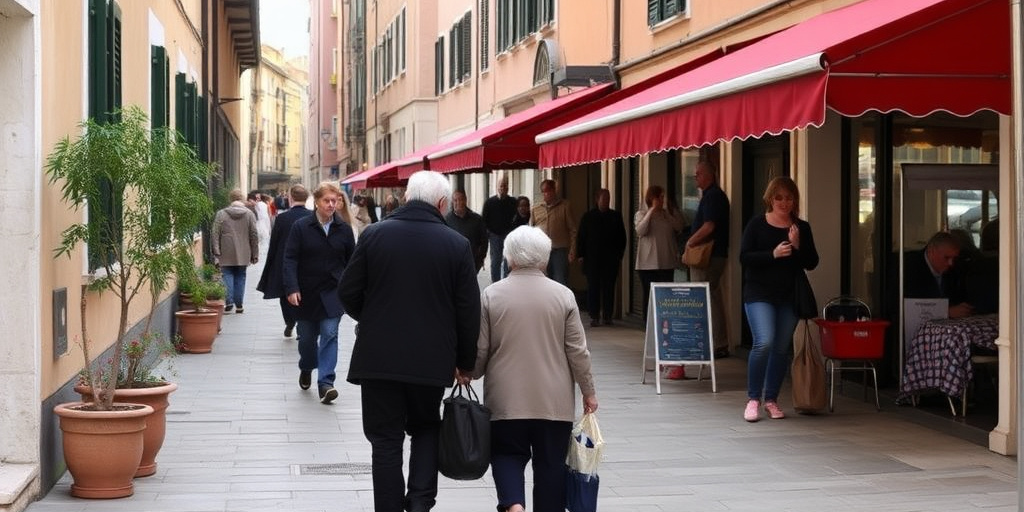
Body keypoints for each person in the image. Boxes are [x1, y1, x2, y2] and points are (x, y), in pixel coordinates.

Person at [337, 170, 481, 512]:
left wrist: (372, 319)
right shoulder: (456, 245)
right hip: (430, 360)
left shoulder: (374, 235)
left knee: (385, 440)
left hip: (379, 359)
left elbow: (347, 291)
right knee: (426, 429)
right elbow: (468, 311)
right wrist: (466, 361)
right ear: (443, 204)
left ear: (405, 197)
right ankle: (419, 504)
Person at [472, 225, 598, 512]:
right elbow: (578, 351)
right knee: (551, 467)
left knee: (505, 455)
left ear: (509, 258)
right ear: (543, 259)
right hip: (553, 404)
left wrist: (471, 371)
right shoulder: (564, 296)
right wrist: (588, 392)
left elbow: (480, 350)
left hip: (505, 402)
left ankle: (514, 504)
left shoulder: (491, 295)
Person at [739, 176, 819, 422]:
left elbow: (812, 262)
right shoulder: (756, 224)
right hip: (759, 293)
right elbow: (744, 258)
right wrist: (772, 254)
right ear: (770, 199)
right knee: (764, 341)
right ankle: (753, 399)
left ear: (795, 200)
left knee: (781, 348)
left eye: (789, 198)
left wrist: (797, 245)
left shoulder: (801, 228)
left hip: (788, 296)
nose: (784, 203)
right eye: (779, 198)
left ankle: (771, 399)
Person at [282, 182, 356, 405]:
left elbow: (353, 262)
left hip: (334, 292)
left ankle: (326, 383)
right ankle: (306, 367)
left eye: (335, 200)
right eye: (327, 200)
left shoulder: (343, 229)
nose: (331, 205)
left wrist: (353, 289)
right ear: (316, 201)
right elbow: (290, 258)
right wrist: (292, 287)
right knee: (306, 338)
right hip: (306, 293)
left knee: (330, 334)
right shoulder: (301, 226)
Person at [686, 161, 731, 358]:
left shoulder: (713, 196)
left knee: (706, 298)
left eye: (698, 175)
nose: (695, 179)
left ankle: (715, 343)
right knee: (710, 296)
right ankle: (715, 342)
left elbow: (709, 226)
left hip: (709, 256)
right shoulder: (711, 195)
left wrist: (690, 242)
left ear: (708, 175)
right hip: (711, 255)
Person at [256, 184, 312, 339]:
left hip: (285, 260)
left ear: (290, 197)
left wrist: (271, 263)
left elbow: (274, 243)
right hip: (308, 261)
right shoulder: (313, 216)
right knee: (305, 293)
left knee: (285, 293)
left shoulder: (282, 218)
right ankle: (302, 324)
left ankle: (289, 320)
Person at [576, 188, 626, 327]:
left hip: (610, 259)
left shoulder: (616, 216)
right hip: (592, 258)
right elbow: (581, 237)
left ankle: (608, 315)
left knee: (609, 287)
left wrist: (619, 255)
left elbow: (622, 237)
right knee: (593, 287)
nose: (606, 201)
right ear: (597, 200)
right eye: (604, 199)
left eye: (608, 199)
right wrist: (581, 255)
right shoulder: (588, 217)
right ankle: (594, 316)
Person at [903, 231, 973, 318]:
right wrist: (946, 312)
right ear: (931, 251)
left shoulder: (955, 269)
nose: (951, 263)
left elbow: (959, 298)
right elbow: (906, 308)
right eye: (946, 258)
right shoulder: (907, 268)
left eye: (954, 258)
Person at [211, 189, 259, 313]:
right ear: (242, 199)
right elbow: (254, 234)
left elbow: (215, 233)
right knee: (241, 276)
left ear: (230, 199)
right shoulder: (249, 214)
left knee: (227, 275)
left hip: (225, 251)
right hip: (244, 252)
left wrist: (216, 251)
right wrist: (255, 254)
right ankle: (239, 305)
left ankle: (229, 303)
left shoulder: (221, 214)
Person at [530, 179, 577, 285]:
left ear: (554, 191)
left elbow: (573, 230)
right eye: (543, 191)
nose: (545, 194)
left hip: (559, 250)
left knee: (560, 281)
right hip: (541, 252)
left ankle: (560, 301)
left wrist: (573, 250)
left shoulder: (565, 206)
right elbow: (531, 232)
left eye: (547, 190)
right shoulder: (535, 209)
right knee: (543, 281)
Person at [482, 176, 518, 282]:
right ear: (497, 187)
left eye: (505, 185)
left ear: (508, 187)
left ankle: (506, 283)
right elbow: (484, 219)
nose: (503, 188)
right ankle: (495, 284)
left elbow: (518, 216)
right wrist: (488, 233)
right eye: (501, 185)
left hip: (509, 236)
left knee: (508, 262)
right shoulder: (489, 202)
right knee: (495, 262)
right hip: (495, 236)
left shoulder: (513, 202)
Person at [445, 189, 489, 272]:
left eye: (460, 199)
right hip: (452, 264)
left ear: (465, 200)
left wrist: (480, 260)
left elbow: (484, 241)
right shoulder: (446, 220)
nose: (458, 202)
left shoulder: (477, 220)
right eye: (455, 200)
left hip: (472, 264)